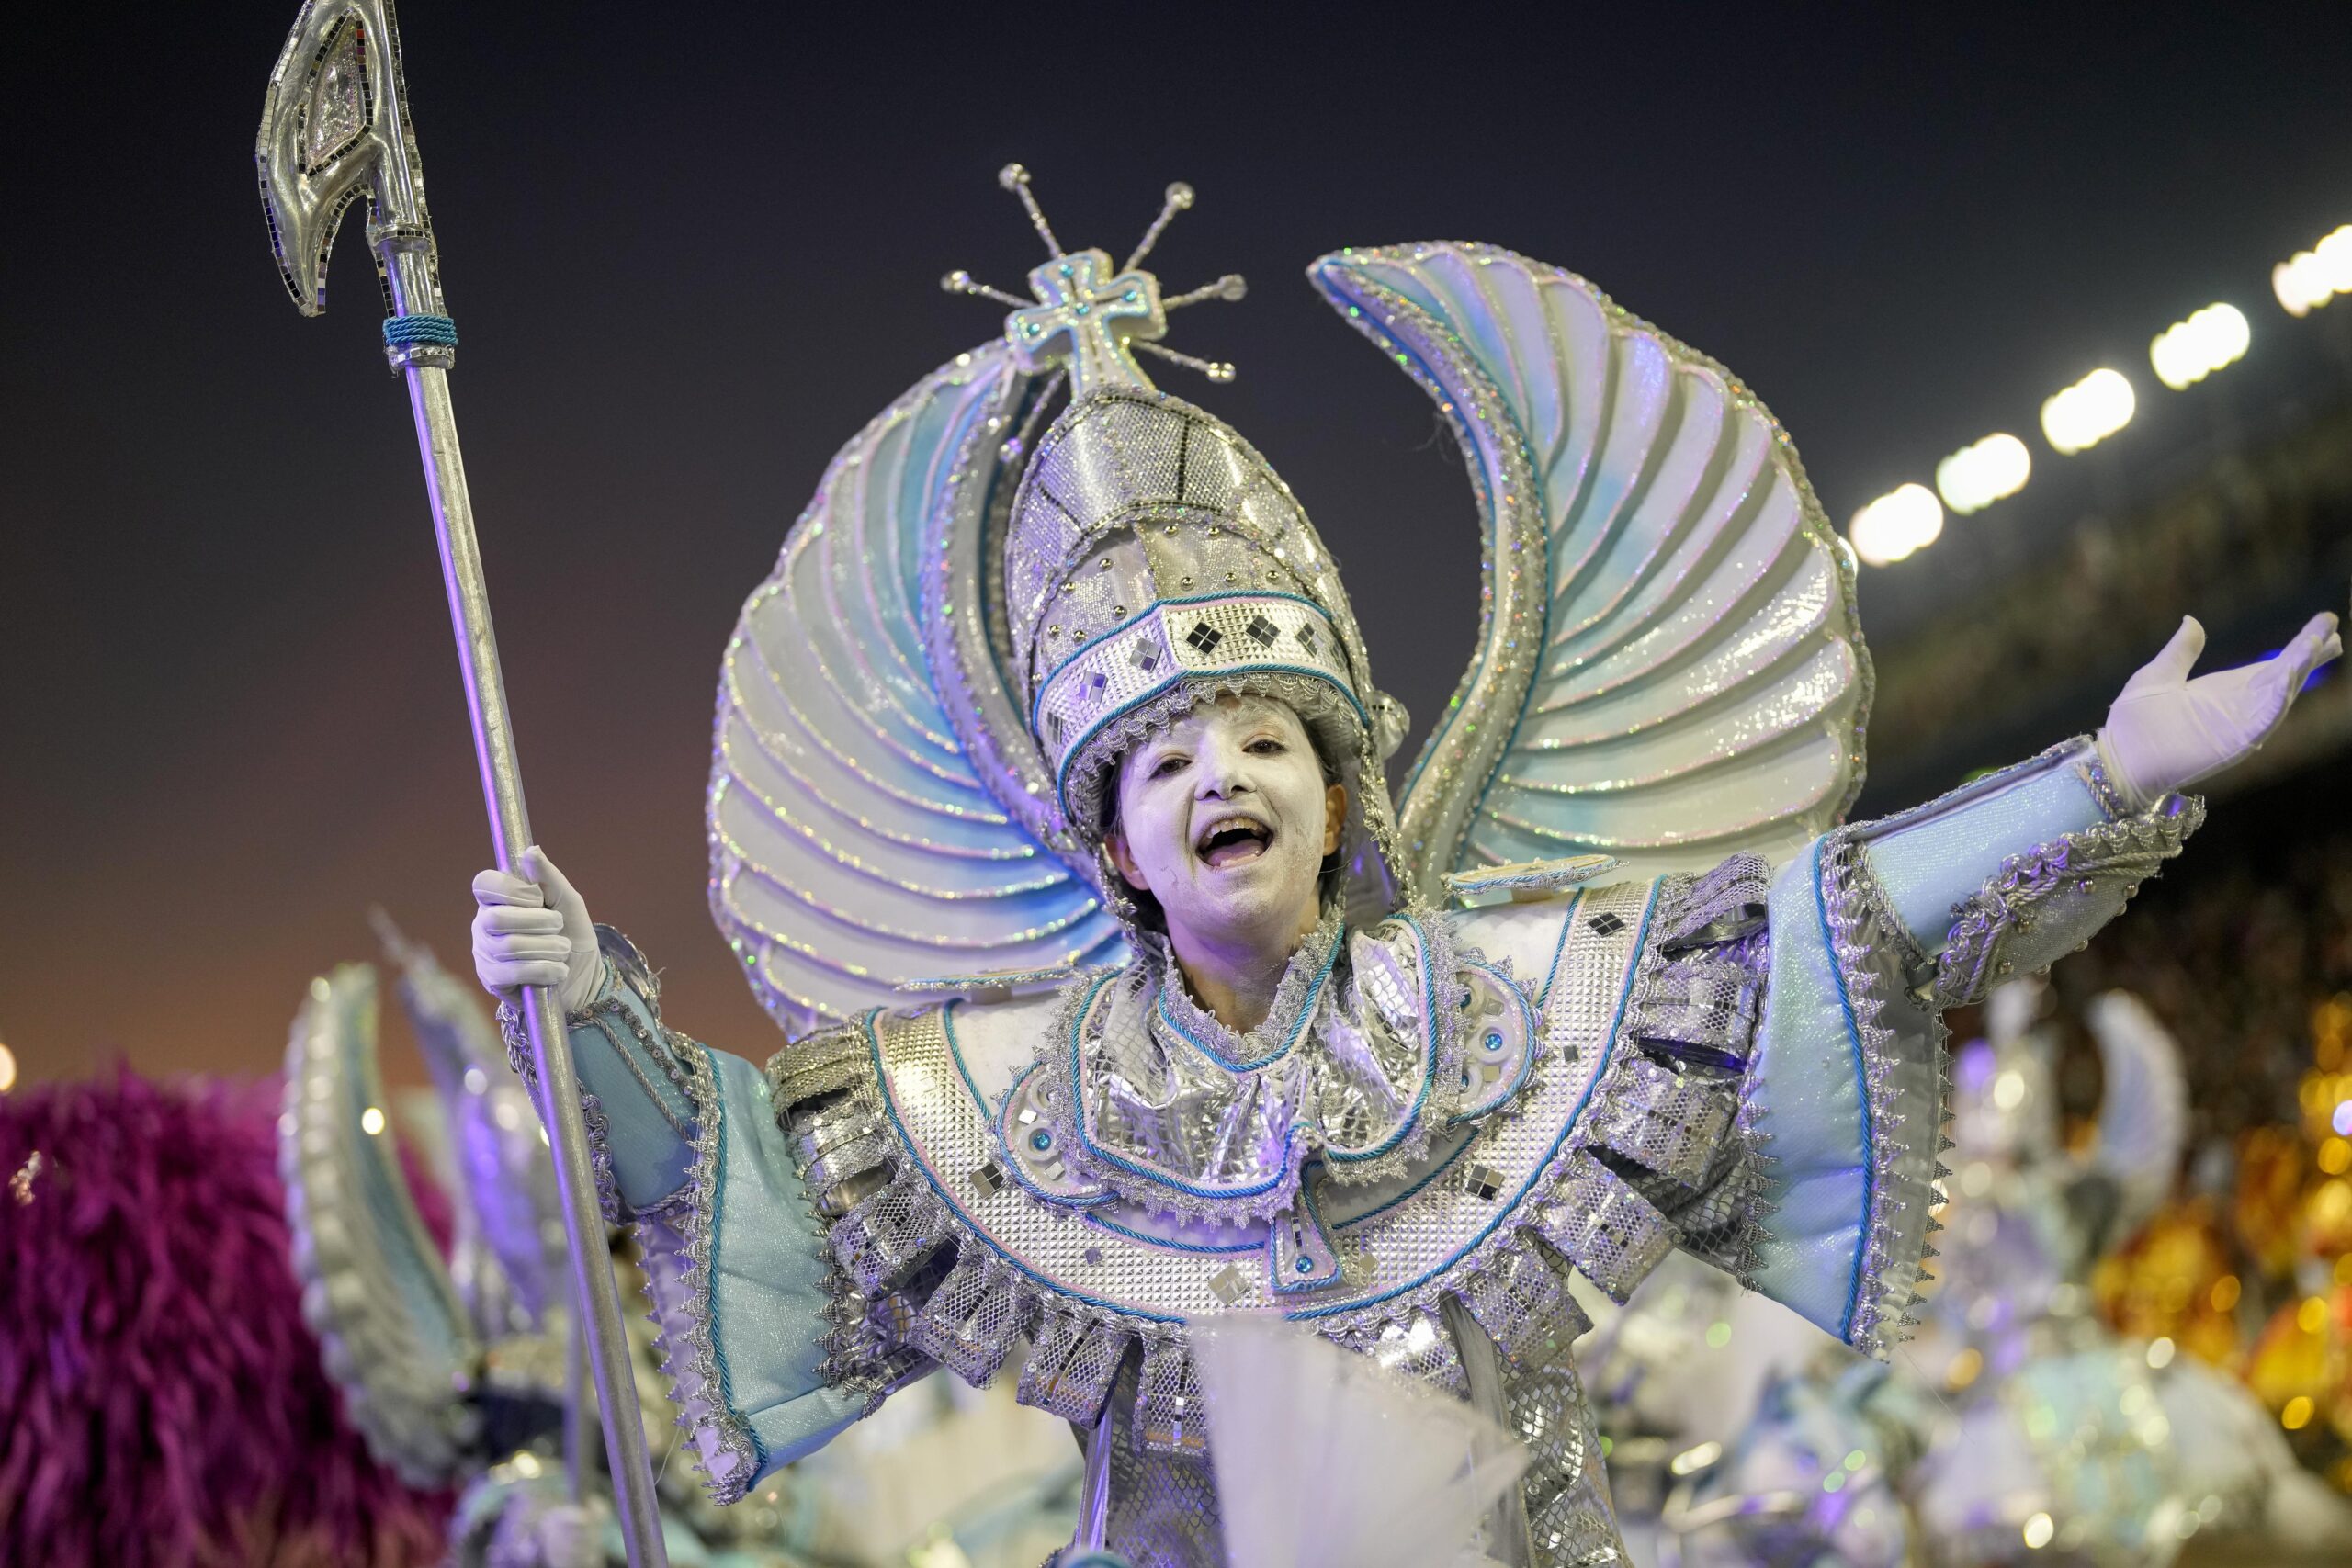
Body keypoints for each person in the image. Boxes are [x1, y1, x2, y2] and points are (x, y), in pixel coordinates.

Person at [468, 185, 2342, 1568]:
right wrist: (588, 1000)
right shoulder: (1016, 1107)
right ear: (1111, 845)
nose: (1225, 773)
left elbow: (1823, 919)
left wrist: (2098, 774)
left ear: (1343, 790)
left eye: (1267, 735)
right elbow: (727, 1161)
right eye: (1169, 758)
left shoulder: (1512, 1006)